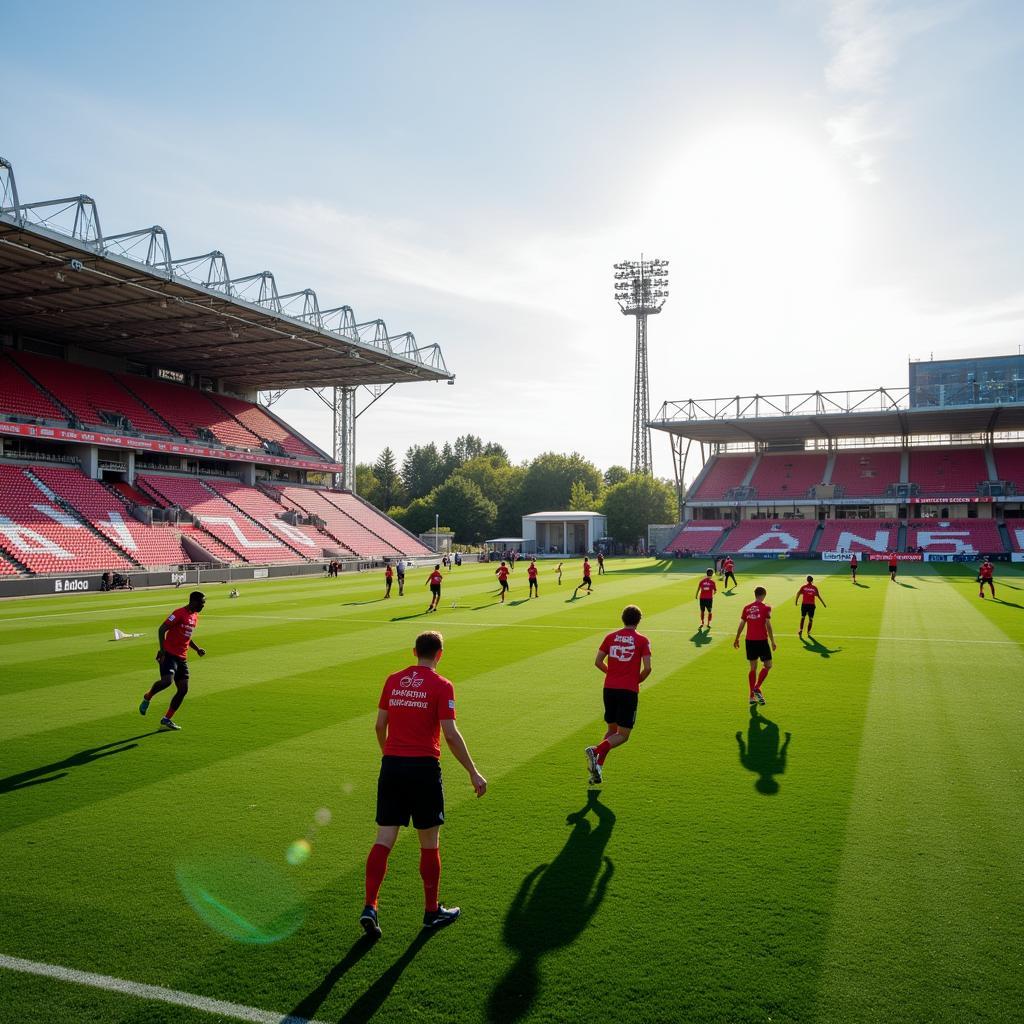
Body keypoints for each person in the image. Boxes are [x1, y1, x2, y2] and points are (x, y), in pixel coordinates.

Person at [359, 631, 487, 940]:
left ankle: (370, 906)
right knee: (429, 843)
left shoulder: (393, 679)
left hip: (391, 766)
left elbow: (379, 725)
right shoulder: (442, 685)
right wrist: (473, 771)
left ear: (414, 651)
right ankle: (431, 912)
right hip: (423, 769)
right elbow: (450, 734)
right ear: (439, 654)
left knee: (384, 838)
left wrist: (388, 754)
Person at [584, 605, 652, 784]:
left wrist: (612, 674)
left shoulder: (610, 637)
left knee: (612, 730)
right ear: (638, 620)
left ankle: (597, 769)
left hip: (609, 689)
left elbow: (598, 661)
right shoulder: (642, 640)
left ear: (623, 618)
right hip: (628, 691)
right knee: (623, 735)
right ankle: (596, 750)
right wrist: (635, 680)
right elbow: (648, 668)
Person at [138, 591, 207, 731]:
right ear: (193, 601)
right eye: (202, 602)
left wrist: (197, 649)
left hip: (182, 657)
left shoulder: (195, 616)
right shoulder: (179, 613)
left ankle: (167, 719)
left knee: (183, 689)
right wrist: (162, 652)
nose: (203, 605)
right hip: (168, 654)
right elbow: (161, 629)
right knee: (167, 681)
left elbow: (186, 636)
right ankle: (148, 696)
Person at [734, 586, 776, 707]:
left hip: (749, 641)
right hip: (762, 641)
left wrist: (737, 638)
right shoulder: (766, 607)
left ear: (755, 594)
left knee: (753, 668)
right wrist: (772, 641)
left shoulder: (746, 608)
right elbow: (768, 625)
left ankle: (751, 697)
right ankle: (757, 688)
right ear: (764, 595)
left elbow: (742, 623)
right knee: (768, 665)